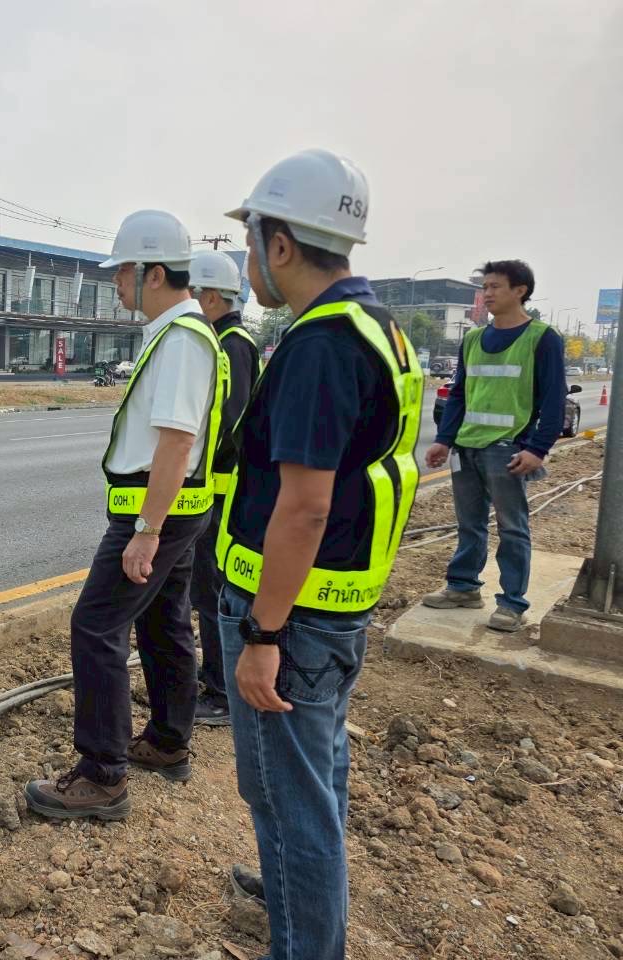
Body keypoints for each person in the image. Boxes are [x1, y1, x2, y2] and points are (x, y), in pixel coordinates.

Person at [217, 149, 422, 960]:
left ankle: (305, 936)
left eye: (252, 241)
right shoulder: (377, 328)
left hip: (293, 620)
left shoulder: (321, 345)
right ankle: (294, 893)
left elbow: (305, 505)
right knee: (315, 777)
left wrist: (263, 634)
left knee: (285, 797)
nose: (248, 261)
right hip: (333, 608)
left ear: (280, 244)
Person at [24, 210, 229, 821]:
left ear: (154, 273)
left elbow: (176, 442)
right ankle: (167, 742)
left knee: (95, 625)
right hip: (174, 509)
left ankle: (102, 775)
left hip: (154, 509)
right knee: (164, 623)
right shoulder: (179, 333)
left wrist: (147, 529)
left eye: (122, 272)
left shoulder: (182, 339)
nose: (114, 282)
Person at [424, 260, 565, 632]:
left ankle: (512, 604)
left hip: (508, 449)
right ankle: (463, 587)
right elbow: (458, 394)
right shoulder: (472, 339)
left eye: (494, 287)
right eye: (484, 287)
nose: (486, 294)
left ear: (520, 291)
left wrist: (537, 449)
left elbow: (554, 399)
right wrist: (444, 440)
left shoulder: (542, 338)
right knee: (469, 524)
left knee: (512, 527)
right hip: (466, 446)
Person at [186, 250, 261, 726]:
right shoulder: (226, 340)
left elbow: (227, 423)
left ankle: (219, 692)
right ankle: (215, 676)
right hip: (218, 489)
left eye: (193, 294)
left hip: (221, 491)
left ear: (211, 297)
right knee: (205, 591)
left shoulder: (231, 345)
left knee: (211, 593)